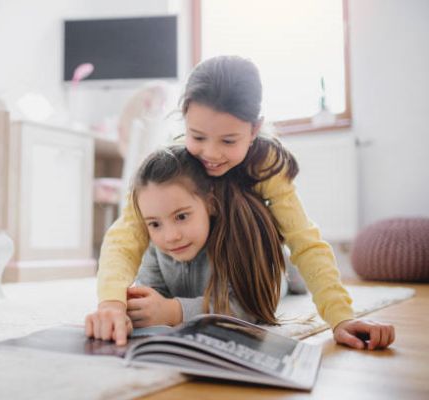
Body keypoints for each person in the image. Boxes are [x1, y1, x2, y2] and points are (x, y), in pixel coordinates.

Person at [85, 55, 395, 350]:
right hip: (207, 256)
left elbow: (304, 239)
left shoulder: (266, 164)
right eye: (198, 136)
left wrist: (341, 316)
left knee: (286, 277)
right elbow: (125, 235)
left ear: (254, 130)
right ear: (184, 121)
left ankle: (288, 272)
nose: (211, 153)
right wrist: (111, 303)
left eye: (229, 141)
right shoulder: (170, 167)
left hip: (252, 254)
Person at [111, 145, 287, 331]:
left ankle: (287, 259)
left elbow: (248, 308)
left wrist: (174, 311)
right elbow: (154, 297)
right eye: (155, 224)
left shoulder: (235, 241)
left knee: (293, 280)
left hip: (273, 271)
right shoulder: (154, 247)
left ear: (211, 204)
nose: (171, 237)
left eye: (181, 216)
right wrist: (138, 309)